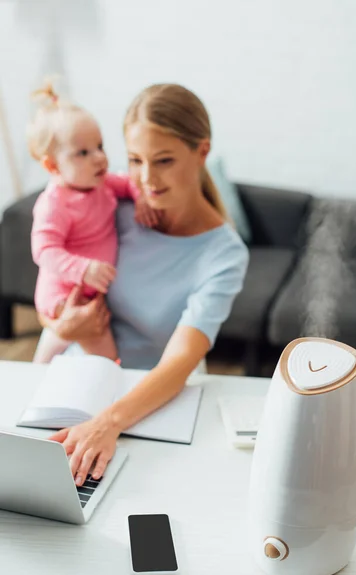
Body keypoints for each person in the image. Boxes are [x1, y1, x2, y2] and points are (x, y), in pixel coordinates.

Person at [38, 83, 249, 486]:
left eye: (164, 160)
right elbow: (57, 284)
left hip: (142, 410)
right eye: (135, 160)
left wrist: (108, 423)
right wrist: (60, 328)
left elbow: (179, 361)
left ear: (202, 151)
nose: (147, 178)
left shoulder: (224, 254)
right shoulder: (114, 205)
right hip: (69, 389)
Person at [27, 82, 158, 363]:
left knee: (77, 338)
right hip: (65, 291)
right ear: (52, 166)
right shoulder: (54, 203)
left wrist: (142, 199)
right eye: (83, 153)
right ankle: (44, 366)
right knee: (103, 351)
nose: (99, 158)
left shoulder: (101, 184)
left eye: (99, 146)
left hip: (91, 289)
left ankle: (50, 354)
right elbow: (44, 250)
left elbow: (127, 182)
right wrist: (82, 269)